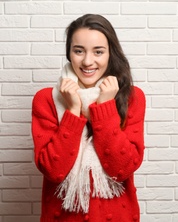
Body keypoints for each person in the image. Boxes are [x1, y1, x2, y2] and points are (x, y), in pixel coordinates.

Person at [31, 14, 146, 222]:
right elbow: (53, 170)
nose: (87, 61)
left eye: (98, 52)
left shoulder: (131, 97)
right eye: (78, 51)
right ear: (69, 53)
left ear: (111, 54)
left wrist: (105, 106)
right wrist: (73, 109)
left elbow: (122, 168)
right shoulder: (46, 99)